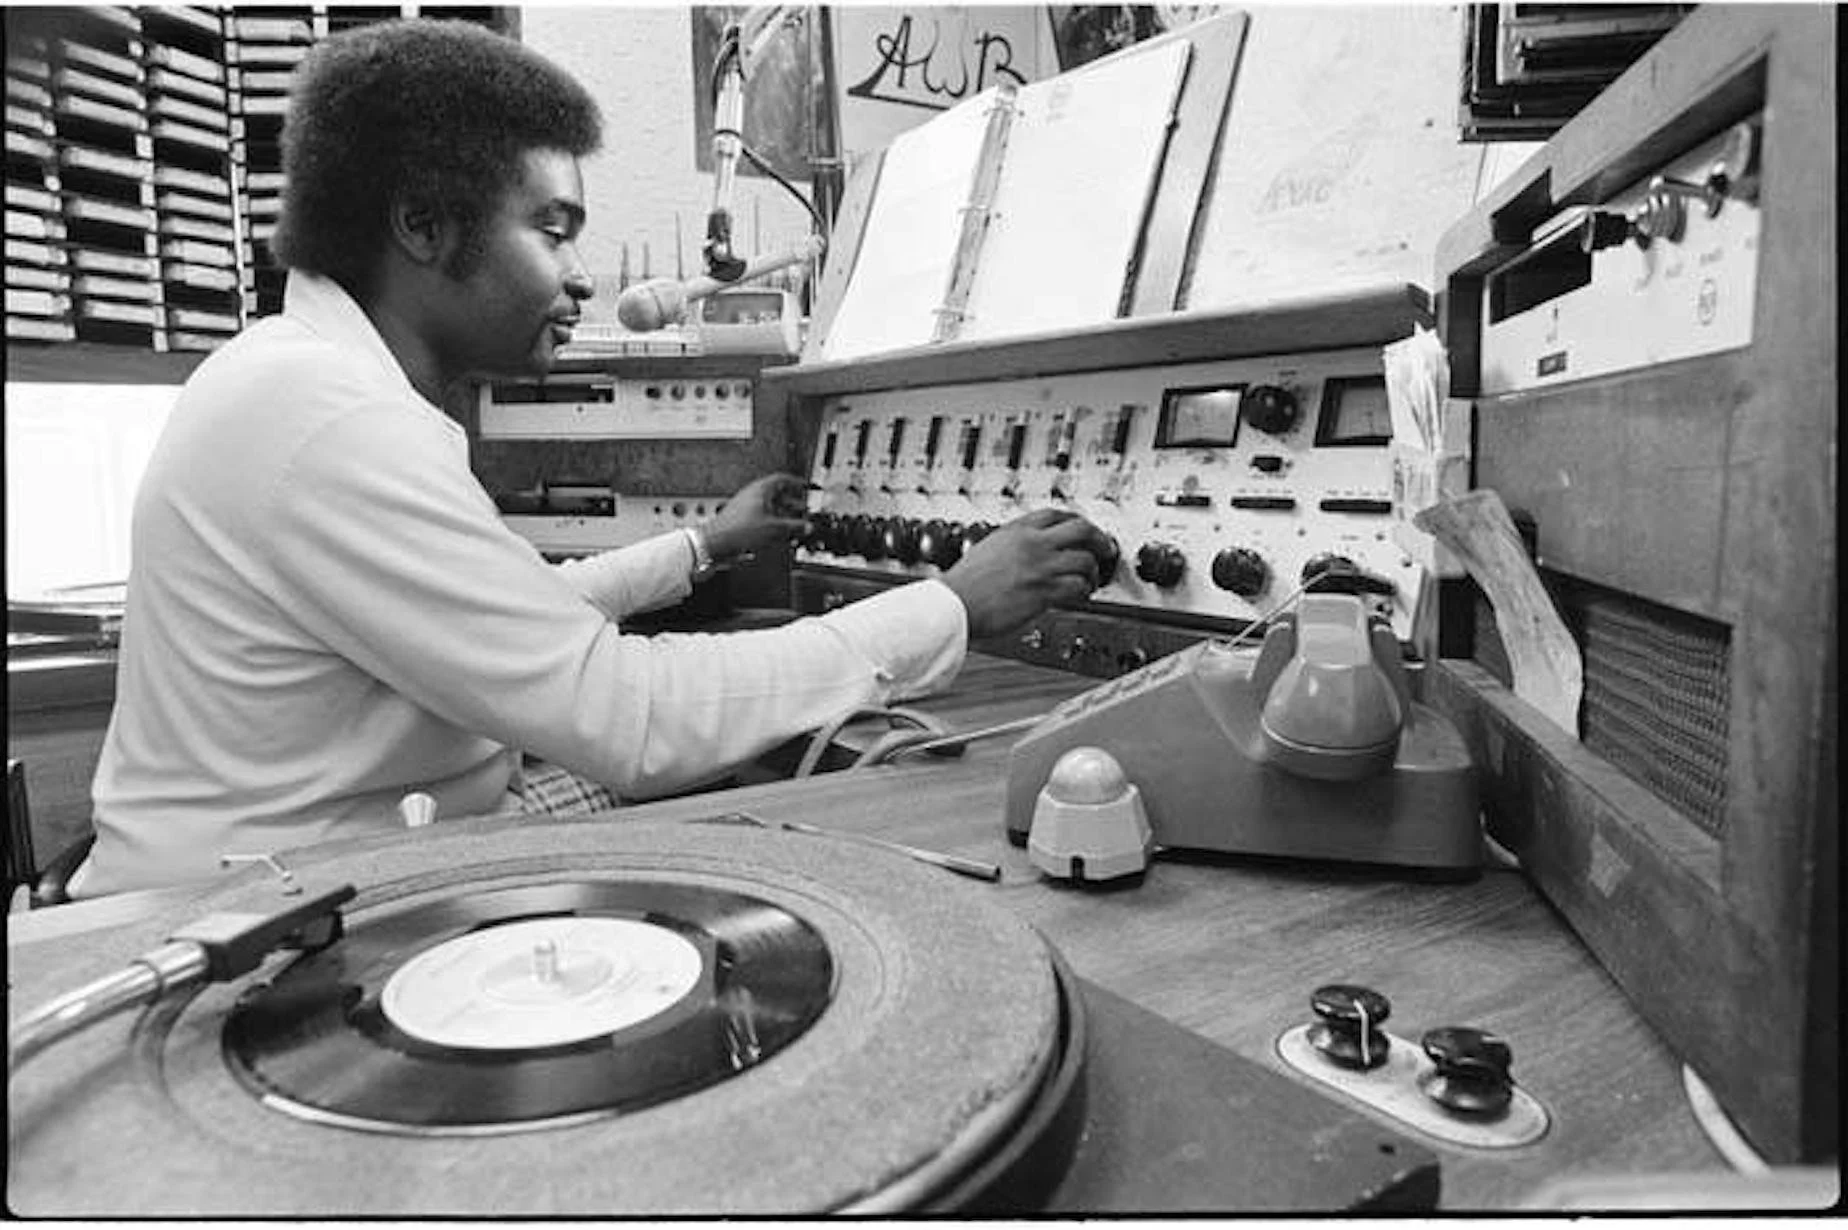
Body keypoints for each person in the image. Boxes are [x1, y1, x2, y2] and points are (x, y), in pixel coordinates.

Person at [75, 20, 1111, 898]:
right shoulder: (324, 417)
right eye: (553, 231)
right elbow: (629, 715)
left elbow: (518, 609)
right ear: (424, 227)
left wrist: (703, 546)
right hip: (237, 916)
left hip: (321, 858)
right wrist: (952, 606)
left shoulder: (310, 380)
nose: (578, 282)